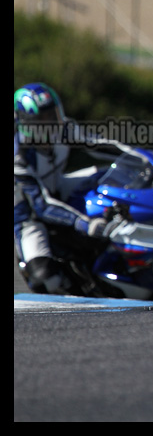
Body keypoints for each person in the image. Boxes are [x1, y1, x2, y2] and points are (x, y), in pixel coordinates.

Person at [14, 83, 122, 294]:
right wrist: (84, 223)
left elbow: (99, 144)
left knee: (109, 175)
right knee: (46, 280)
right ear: (26, 122)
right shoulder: (18, 156)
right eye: (43, 119)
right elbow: (41, 205)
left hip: (58, 185)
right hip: (30, 217)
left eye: (53, 114)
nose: (51, 123)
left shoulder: (64, 129)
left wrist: (145, 158)